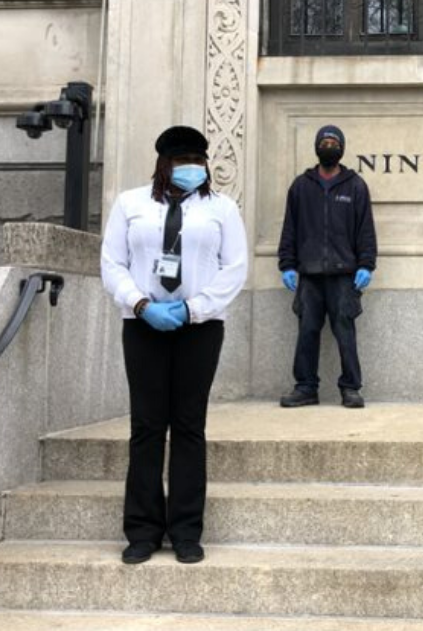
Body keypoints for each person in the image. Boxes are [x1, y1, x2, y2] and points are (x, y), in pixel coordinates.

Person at [100, 125, 248, 565]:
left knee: (188, 426)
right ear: (164, 164)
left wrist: (193, 309)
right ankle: (142, 530)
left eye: (197, 162)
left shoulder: (222, 209)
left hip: (199, 328)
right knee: (146, 426)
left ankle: (186, 530)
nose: (191, 169)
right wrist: (141, 302)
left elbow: (234, 268)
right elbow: (113, 263)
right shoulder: (131, 204)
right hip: (143, 324)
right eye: (182, 162)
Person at [278, 124, 377, 409]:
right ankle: (306, 387)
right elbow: (290, 229)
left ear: (342, 148)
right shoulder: (301, 186)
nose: (329, 146)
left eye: (334, 142)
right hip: (309, 275)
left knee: (344, 331)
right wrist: (287, 265)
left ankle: (351, 388)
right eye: (325, 142)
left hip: (344, 275)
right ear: (317, 147)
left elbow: (365, 231)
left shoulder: (355, 185)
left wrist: (366, 265)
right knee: (307, 331)